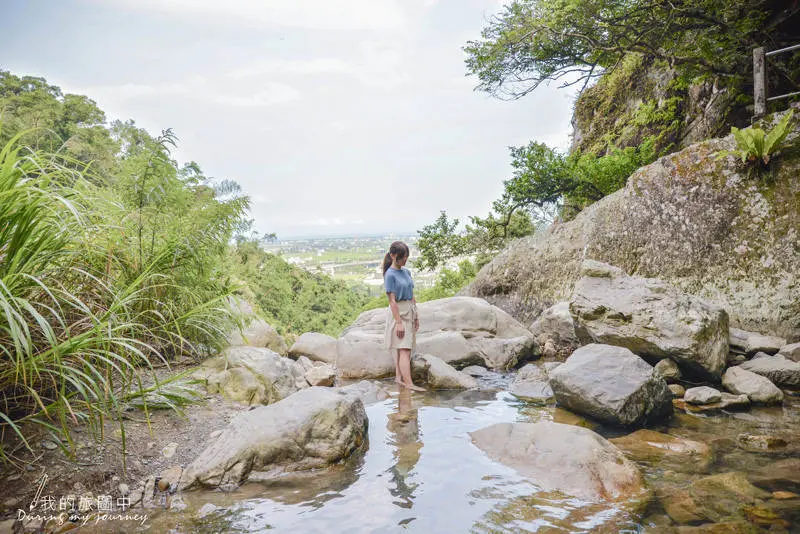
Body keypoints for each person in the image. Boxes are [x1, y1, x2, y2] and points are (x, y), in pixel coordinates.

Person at [383, 241, 425, 391]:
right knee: (404, 349)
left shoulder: (406, 272)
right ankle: (409, 384)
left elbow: (412, 295)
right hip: (399, 313)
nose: (405, 260)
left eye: (406, 256)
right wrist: (398, 323)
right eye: (402, 257)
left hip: (409, 310)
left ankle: (399, 378)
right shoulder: (390, 275)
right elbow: (392, 301)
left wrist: (416, 316)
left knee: (405, 347)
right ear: (393, 256)